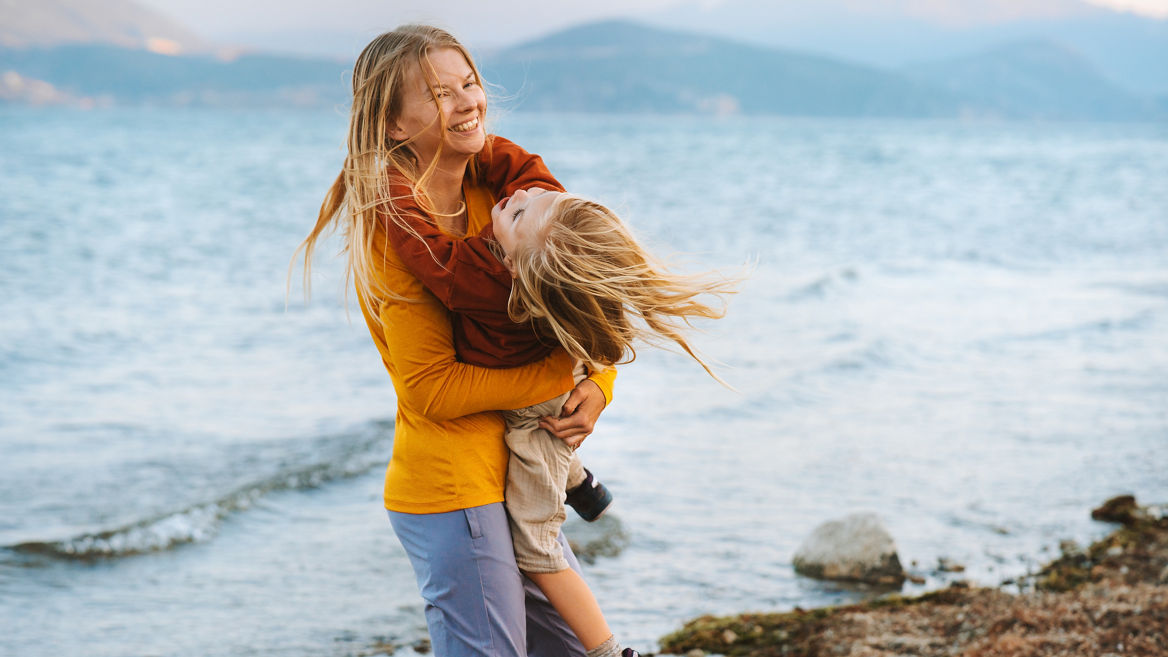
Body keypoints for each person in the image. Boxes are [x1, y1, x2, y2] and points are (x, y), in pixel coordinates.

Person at [293, 24, 633, 657]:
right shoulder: (395, 230)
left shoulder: (502, 194)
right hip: (454, 486)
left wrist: (599, 386)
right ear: (394, 124)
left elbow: (578, 297)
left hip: (522, 463)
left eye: (469, 83)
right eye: (439, 94)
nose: (467, 101)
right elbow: (431, 389)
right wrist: (563, 380)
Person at [383, 184, 734, 657]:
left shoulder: (500, 276)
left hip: (535, 426)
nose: (520, 192)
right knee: (542, 442)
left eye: (524, 207)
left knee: (538, 547)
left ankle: (610, 652)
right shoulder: (537, 259)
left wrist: (596, 384)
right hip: (494, 449)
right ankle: (582, 486)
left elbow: (423, 250)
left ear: (514, 269)